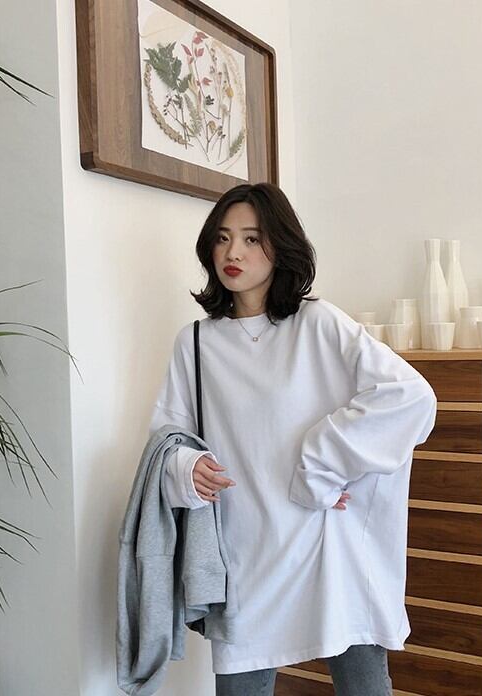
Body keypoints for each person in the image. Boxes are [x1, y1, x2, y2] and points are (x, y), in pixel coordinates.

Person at [147, 182, 437, 696]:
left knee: (363, 686)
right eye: (222, 238)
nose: (233, 253)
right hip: (246, 549)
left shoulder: (318, 324)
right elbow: (168, 439)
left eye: (251, 238)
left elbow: (409, 397)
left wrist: (324, 465)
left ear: (279, 246)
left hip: (330, 546)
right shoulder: (195, 343)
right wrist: (185, 469)